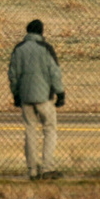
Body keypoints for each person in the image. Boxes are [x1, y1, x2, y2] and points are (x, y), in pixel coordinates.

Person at [8, 19, 65, 180]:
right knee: (49, 129)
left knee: (30, 131)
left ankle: (32, 170)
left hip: (25, 96)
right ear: (41, 31)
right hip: (44, 97)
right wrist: (60, 93)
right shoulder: (46, 48)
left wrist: (16, 94)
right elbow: (55, 72)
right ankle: (47, 168)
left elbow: (13, 75)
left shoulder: (18, 49)